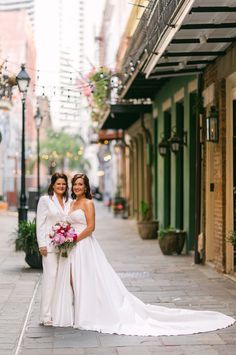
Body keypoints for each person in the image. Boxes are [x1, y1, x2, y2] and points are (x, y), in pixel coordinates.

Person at [52, 173, 235, 336]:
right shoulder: (71, 203)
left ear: (86, 187)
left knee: (88, 279)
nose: (77, 187)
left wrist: (74, 238)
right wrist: (63, 235)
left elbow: (91, 228)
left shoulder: (88, 203)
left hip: (84, 246)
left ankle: (90, 314)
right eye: (75, 184)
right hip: (72, 247)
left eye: (80, 184)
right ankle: (81, 311)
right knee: (75, 280)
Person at [36, 172, 70, 326]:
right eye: (58, 184)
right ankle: (46, 315)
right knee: (50, 278)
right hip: (49, 246)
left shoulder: (68, 201)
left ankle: (57, 312)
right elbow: (40, 223)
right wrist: (41, 244)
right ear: (52, 185)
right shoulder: (45, 200)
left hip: (64, 247)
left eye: (63, 184)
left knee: (61, 279)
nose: (61, 186)